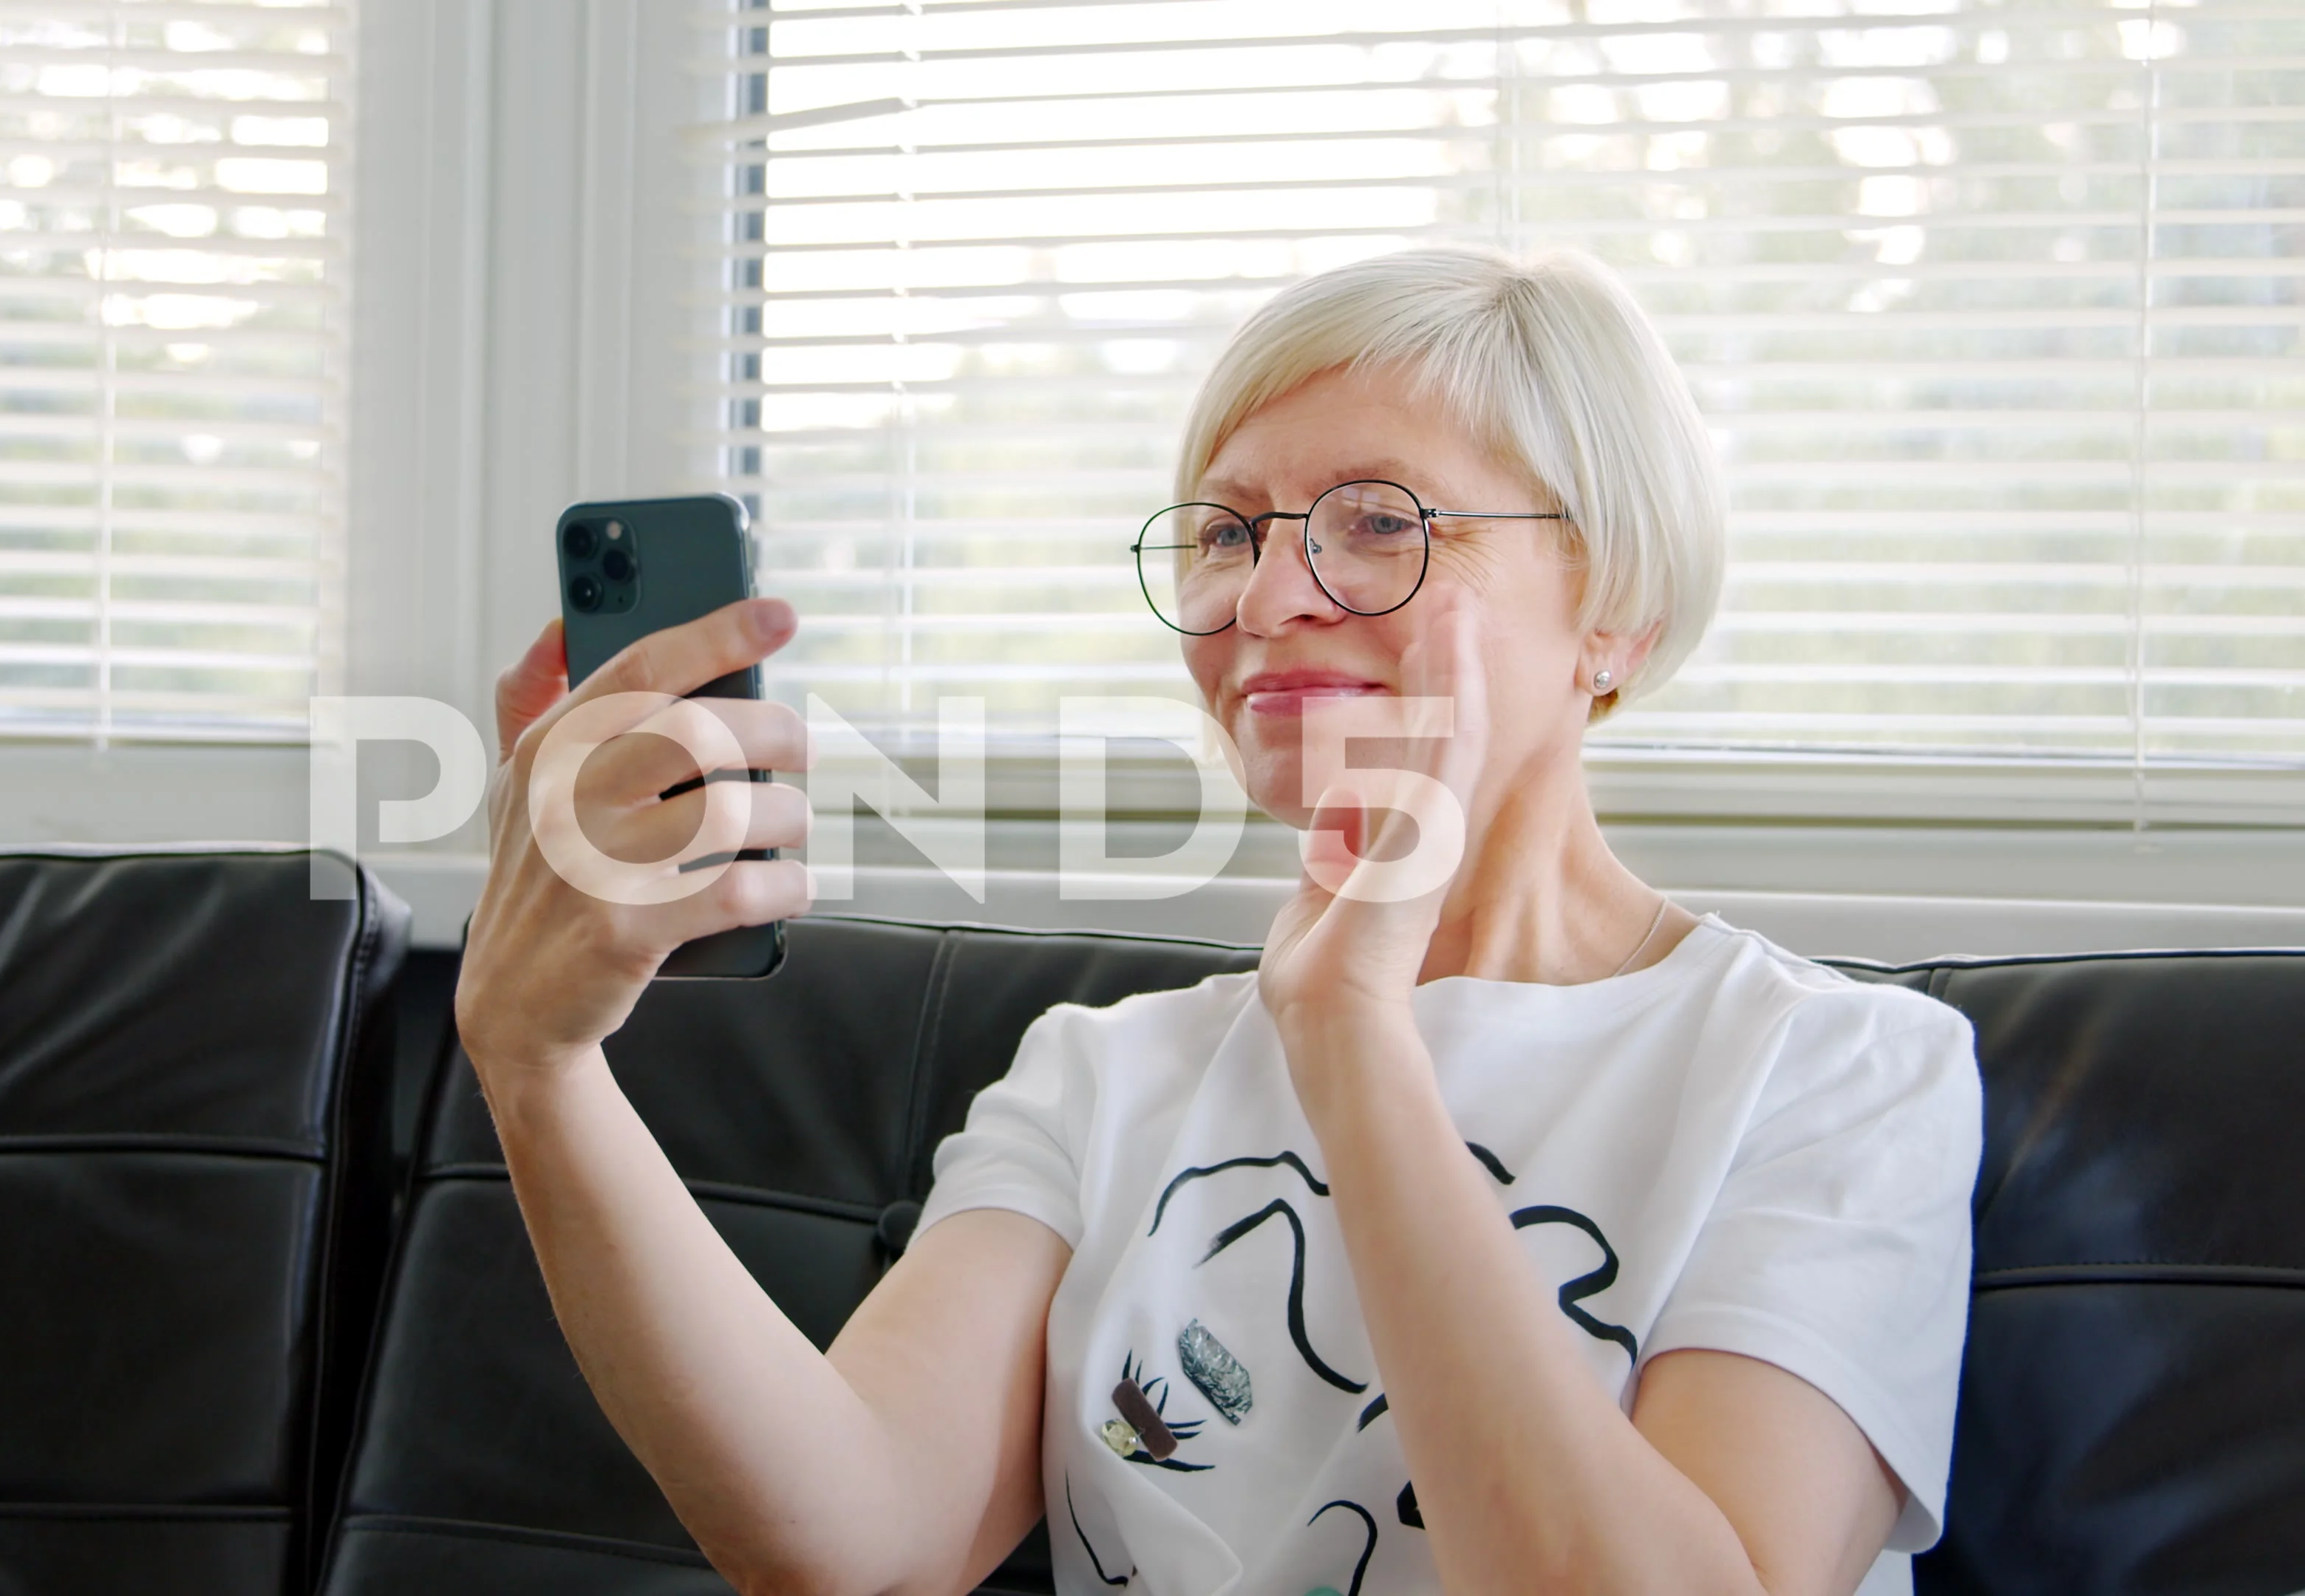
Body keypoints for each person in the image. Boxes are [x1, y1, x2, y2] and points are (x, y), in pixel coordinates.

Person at [454, 243, 1981, 1596]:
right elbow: (850, 1541)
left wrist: (1352, 1038)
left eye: (1377, 523)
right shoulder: (1102, 1075)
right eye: (1230, 534)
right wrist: (538, 1069)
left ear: (1616, 615)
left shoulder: (1838, 1072)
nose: (1264, 601)